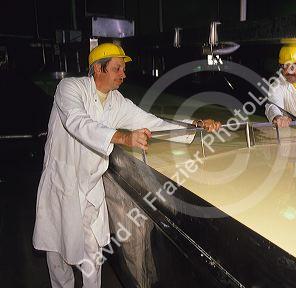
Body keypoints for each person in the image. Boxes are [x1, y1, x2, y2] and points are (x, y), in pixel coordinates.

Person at [32, 43, 221, 288]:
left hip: (90, 187)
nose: (123, 74)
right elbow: (76, 123)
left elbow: (152, 122)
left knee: (92, 253)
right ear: (98, 69)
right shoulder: (69, 88)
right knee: (57, 254)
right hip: (62, 184)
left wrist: (194, 125)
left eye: (122, 69)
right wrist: (122, 137)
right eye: (117, 68)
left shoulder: (116, 102)